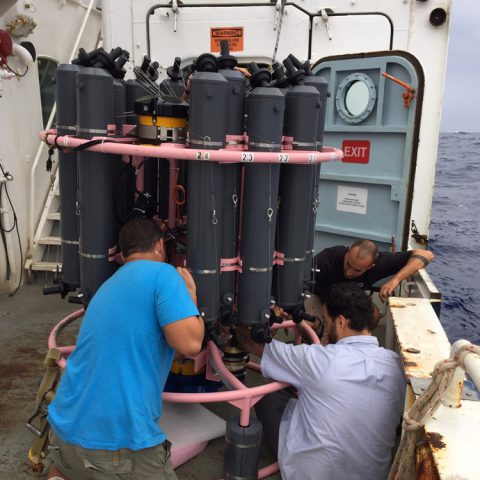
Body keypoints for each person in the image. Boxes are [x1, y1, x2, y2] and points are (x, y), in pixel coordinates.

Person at [47, 218, 204, 480]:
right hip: (115, 446)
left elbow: (156, 345)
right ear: (159, 246)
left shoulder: (108, 285)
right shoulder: (164, 274)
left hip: (63, 434)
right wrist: (191, 298)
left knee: (69, 466)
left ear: (122, 255)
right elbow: (190, 345)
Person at [237, 283, 406, 480]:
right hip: (373, 475)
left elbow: (249, 342)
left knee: (268, 397)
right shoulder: (396, 364)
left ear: (341, 322)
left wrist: (269, 317)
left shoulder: (317, 360)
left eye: (326, 320)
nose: (325, 325)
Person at [312, 238, 435, 302]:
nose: (349, 272)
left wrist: (396, 279)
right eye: (348, 264)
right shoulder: (327, 259)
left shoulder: (382, 262)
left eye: (357, 270)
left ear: (371, 267)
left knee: (374, 315)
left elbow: (427, 254)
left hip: (346, 304)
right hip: (319, 299)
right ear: (347, 252)